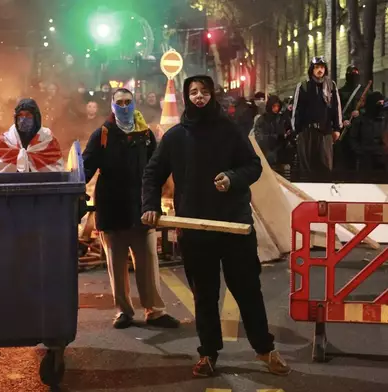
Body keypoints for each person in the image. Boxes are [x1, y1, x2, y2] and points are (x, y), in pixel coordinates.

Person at [141, 76, 290, 377]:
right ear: (187, 97)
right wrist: (149, 206)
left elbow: (253, 166)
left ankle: (265, 349)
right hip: (196, 230)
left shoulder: (230, 132)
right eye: (193, 92)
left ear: (212, 95)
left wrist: (232, 178)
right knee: (205, 296)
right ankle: (208, 354)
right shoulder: (175, 137)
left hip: (234, 225)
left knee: (248, 290)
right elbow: (152, 173)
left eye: (204, 92)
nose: (199, 97)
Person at [83, 88, 180, 330]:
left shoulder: (144, 134)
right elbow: (85, 169)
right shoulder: (102, 134)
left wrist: (155, 204)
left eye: (128, 102)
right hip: (112, 209)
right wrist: (73, 192)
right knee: (116, 265)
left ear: (134, 103)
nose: (124, 106)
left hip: (141, 208)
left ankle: (154, 311)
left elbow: (155, 171)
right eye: (120, 102)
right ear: (112, 106)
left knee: (147, 261)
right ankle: (124, 311)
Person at [291, 56, 343, 178]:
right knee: (307, 169)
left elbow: (336, 108)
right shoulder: (303, 86)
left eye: (322, 67)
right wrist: (297, 131)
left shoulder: (331, 86)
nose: (320, 70)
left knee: (325, 168)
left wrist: (337, 128)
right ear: (312, 69)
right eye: (317, 67)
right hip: (306, 132)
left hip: (325, 132)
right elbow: (296, 110)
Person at [0, 98, 64, 173]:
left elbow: (57, 172)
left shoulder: (47, 140)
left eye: (28, 115)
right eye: (20, 115)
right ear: (16, 117)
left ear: (36, 117)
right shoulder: (5, 141)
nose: (24, 119)